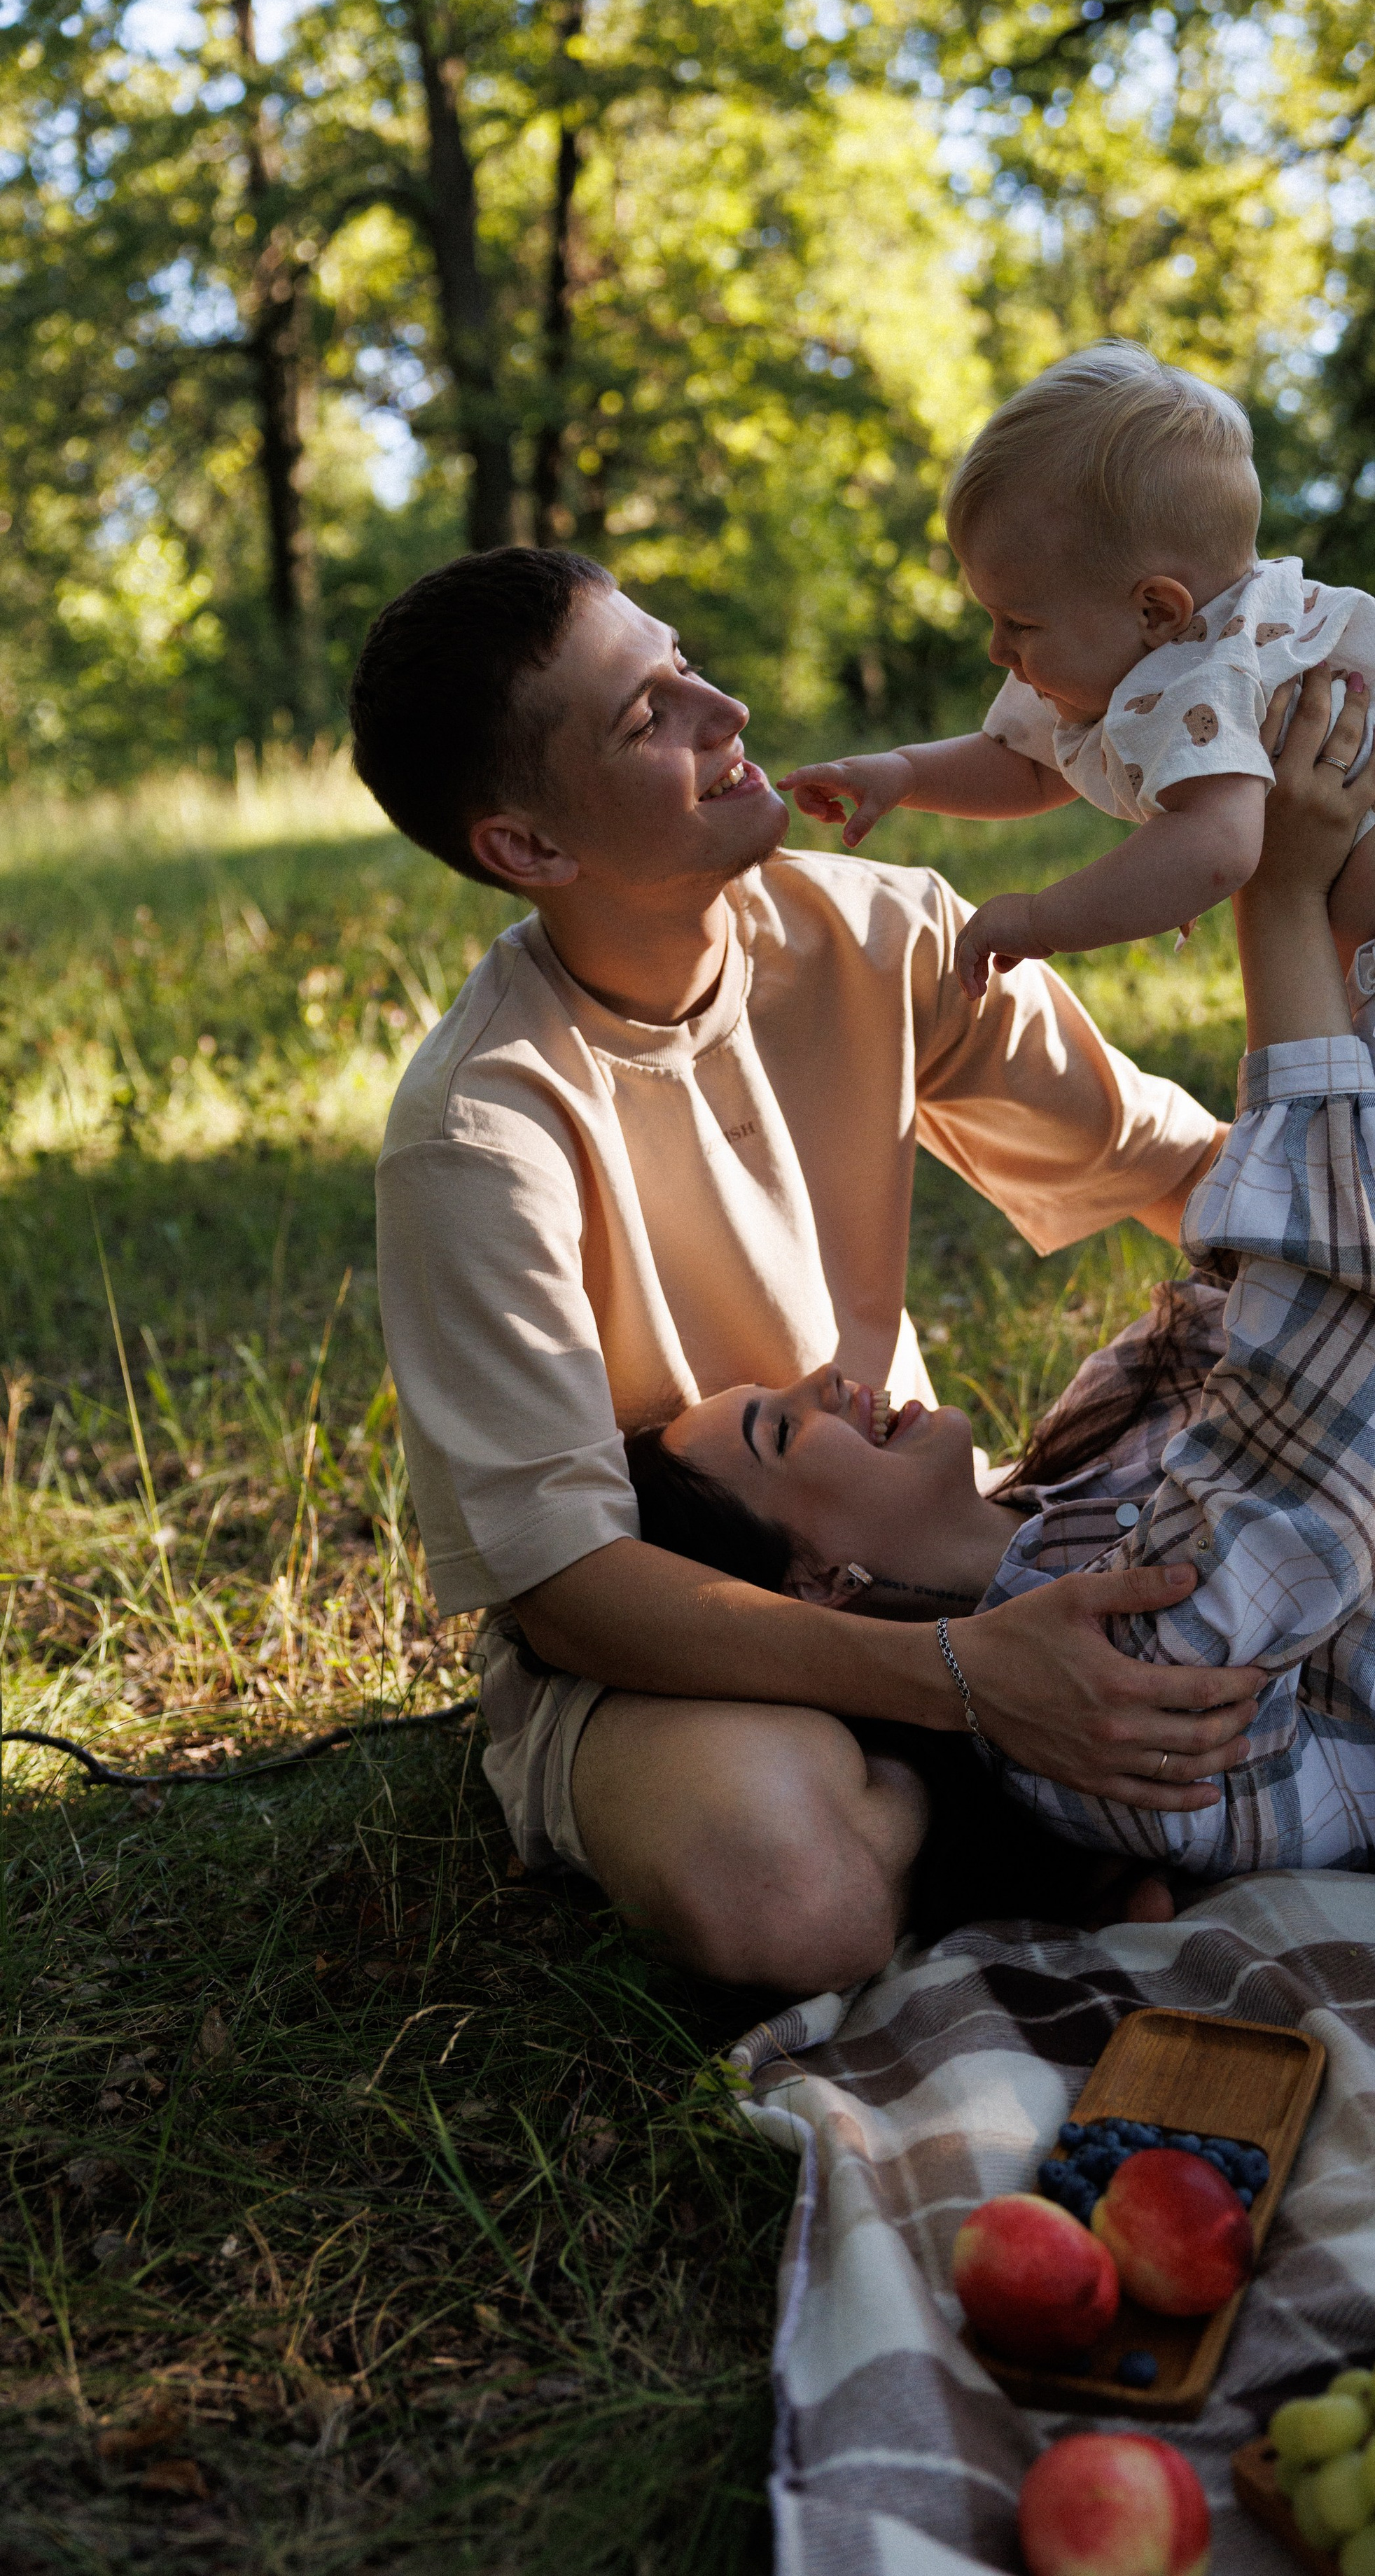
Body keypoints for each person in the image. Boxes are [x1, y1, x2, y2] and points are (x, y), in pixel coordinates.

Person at [643, 667, 1375, 1940]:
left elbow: (1279, 1298)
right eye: (782, 1431)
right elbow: (1323, 1373)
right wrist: (1279, 901)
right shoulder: (1097, 1718)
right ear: (825, 1583)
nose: (821, 1379)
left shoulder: (1074, 1459)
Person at [352, 543, 1257, 1998]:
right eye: (648, 717)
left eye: (686, 661)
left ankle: (998, 1806)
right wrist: (970, 1684)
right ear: (527, 848)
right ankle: (1008, 1810)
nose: (725, 709)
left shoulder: (879, 931)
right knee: (785, 1890)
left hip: (908, 1548)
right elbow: (572, 1589)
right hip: (668, 1646)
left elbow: (1175, 1169)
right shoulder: (478, 1131)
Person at [783, 343, 1375, 1499]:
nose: (999, 651)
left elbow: (1219, 847)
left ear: (1157, 609)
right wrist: (897, 772)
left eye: (1018, 621)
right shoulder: (1163, 655)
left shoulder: (1207, 672)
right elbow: (1019, 761)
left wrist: (1036, 916)